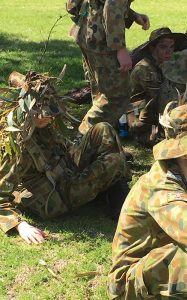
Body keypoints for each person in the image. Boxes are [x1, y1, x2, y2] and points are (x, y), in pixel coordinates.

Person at [0, 71, 130, 245]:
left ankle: (115, 188)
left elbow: (63, 151)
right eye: (42, 111)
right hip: (56, 197)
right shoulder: (18, 145)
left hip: (65, 172)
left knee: (103, 128)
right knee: (114, 161)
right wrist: (20, 225)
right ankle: (117, 195)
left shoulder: (44, 127)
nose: (49, 116)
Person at [108, 52, 187, 299]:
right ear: (181, 155)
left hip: (159, 254)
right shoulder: (162, 185)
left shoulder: (181, 170)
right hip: (129, 281)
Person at [67, 0, 150, 135]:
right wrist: (120, 49)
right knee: (116, 95)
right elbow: (112, 5)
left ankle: (100, 144)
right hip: (101, 41)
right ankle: (84, 138)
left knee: (101, 93)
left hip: (89, 32)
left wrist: (133, 15)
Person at [129, 27, 187, 144]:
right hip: (142, 122)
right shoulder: (146, 69)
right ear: (152, 48)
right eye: (163, 47)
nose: (169, 51)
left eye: (171, 47)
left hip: (153, 113)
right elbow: (164, 101)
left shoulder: (161, 63)